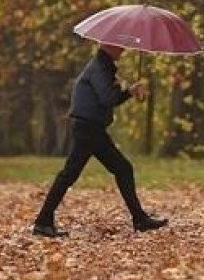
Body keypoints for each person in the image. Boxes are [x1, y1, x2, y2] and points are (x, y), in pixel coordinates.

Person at [32, 43, 168, 237]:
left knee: (78, 173)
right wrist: (126, 90)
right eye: (119, 46)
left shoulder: (102, 67)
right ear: (108, 46)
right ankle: (43, 221)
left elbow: (108, 98)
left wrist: (129, 91)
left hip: (90, 128)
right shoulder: (99, 68)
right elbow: (107, 99)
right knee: (114, 169)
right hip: (89, 128)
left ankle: (43, 221)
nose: (123, 49)